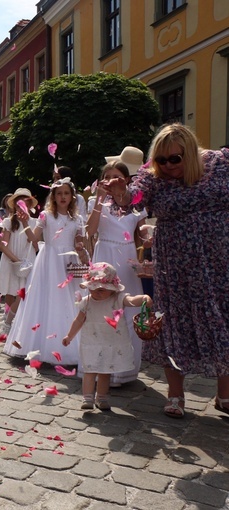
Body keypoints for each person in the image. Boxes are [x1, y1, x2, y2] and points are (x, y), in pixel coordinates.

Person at [107, 123, 229, 418]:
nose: (168, 165)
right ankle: (176, 395)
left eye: (175, 159)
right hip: (176, 267)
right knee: (173, 323)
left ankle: (224, 395)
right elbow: (132, 199)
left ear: (191, 153)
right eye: (161, 160)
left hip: (220, 262)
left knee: (224, 319)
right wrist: (122, 193)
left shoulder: (221, 163)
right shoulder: (153, 178)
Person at [2, 178, 86, 365]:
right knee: (46, 299)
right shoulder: (46, 216)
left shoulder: (77, 219)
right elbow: (34, 239)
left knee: (68, 300)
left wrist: (80, 245)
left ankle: (67, 342)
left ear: (72, 196)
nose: (63, 197)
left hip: (68, 262)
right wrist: (25, 224)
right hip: (49, 260)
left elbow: (78, 239)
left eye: (66, 193)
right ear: (53, 197)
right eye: (59, 193)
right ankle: (40, 344)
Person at [86, 156, 147, 385]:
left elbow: (142, 234)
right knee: (102, 311)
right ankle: (99, 368)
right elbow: (90, 231)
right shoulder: (97, 201)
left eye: (116, 177)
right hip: (104, 258)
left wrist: (148, 239)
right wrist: (99, 201)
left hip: (127, 258)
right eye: (107, 177)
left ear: (126, 180)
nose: (111, 181)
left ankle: (124, 369)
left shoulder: (136, 202)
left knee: (128, 312)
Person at [62, 263, 153, 411]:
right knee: (90, 370)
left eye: (103, 289)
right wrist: (69, 336)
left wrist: (143, 298)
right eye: (94, 288)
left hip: (110, 342)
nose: (98, 292)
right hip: (91, 342)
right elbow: (79, 320)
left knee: (105, 372)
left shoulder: (117, 299)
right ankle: (87, 398)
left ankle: (102, 397)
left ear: (112, 289)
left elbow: (130, 300)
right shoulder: (87, 302)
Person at [0, 189, 39, 336]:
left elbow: (35, 243)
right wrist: (15, 259)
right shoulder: (8, 222)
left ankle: (9, 320)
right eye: (19, 205)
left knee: (23, 293)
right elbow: (2, 244)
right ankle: (11, 318)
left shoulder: (34, 222)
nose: (21, 209)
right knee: (10, 292)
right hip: (11, 260)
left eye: (25, 205)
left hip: (27, 260)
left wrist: (26, 224)